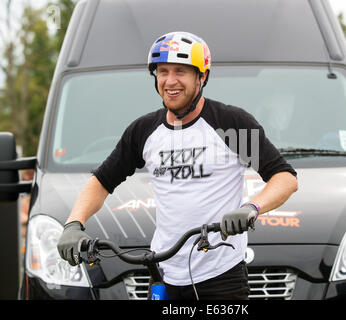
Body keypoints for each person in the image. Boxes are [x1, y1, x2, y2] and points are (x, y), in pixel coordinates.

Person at [57, 31, 298, 300]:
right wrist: (73, 224)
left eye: (180, 71)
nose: (170, 81)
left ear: (202, 76)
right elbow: (101, 182)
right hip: (163, 273)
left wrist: (251, 208)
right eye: (162, 71)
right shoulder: (143, 131)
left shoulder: (231, 122)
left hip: (221, 276)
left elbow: (285, 177)